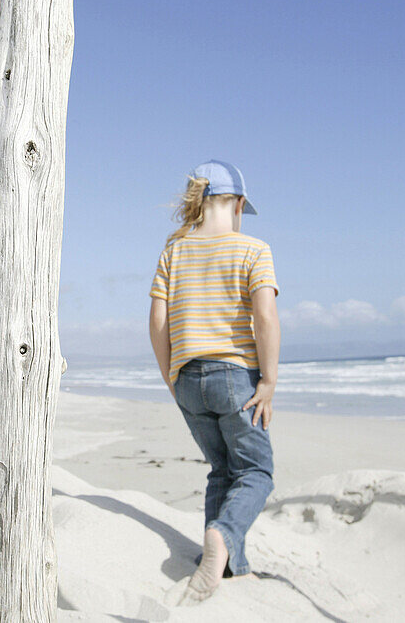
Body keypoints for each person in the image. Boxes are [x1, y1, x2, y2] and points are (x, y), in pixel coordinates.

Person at [148, 159, 280, 604]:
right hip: (234, 375)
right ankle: (222, 536)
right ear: (238, 203)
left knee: (222, 469)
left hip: (186, 376)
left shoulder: (174, 249)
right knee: (256, 471)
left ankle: (226, 569)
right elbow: (264, 317)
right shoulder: (252, 249)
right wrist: (269, 380)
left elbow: (158, 321)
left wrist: (172, 375)